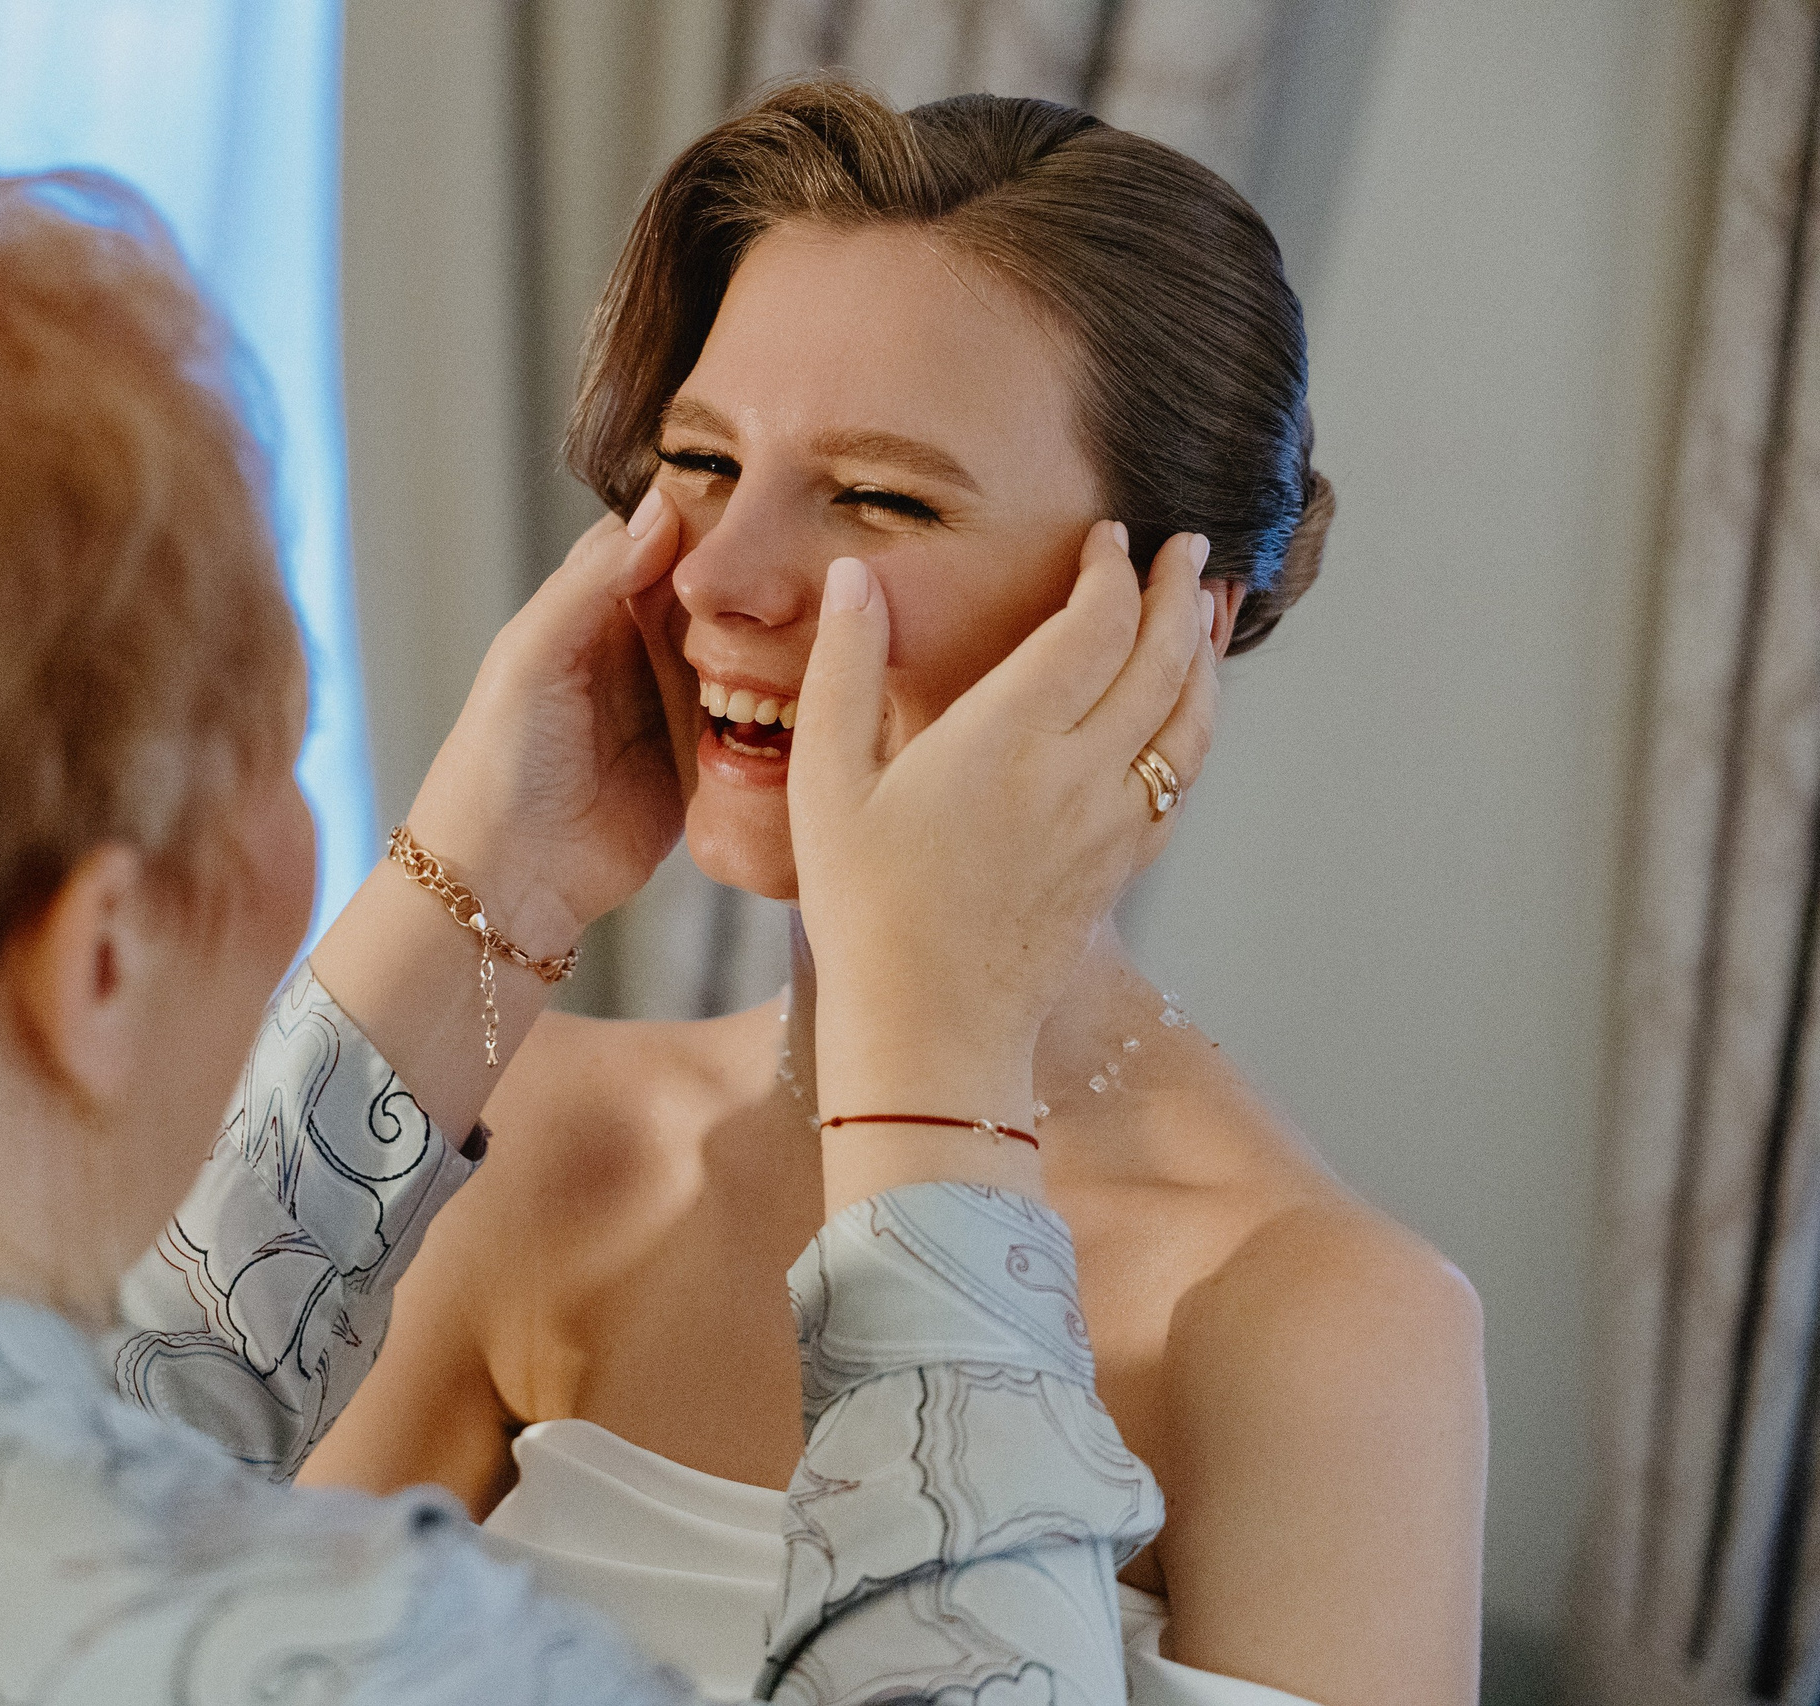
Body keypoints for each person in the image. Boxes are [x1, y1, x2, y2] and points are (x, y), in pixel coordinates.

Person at [0, 107, 1216, 1703]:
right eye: (276, 771)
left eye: (874, 495)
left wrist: (489, 892)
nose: (720, 574)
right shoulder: (368, 1661)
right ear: (93, 950)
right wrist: (937, 1069)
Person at [304, 80, 1487, 1706]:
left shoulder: (1314, 1330)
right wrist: (457, 888)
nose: (717, 577)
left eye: (879, 495)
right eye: (701, 459)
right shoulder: (547, 1144)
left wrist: (929, 1057)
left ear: (1171, 622)